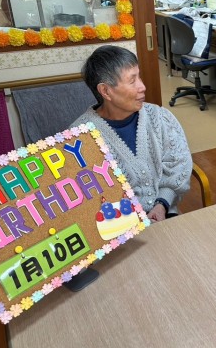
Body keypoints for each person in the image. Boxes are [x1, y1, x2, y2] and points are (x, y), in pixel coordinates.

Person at [72, 45, 192, 223]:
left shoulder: (160, 117)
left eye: (139, 77)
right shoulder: (79, 138)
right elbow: (88, 198)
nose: (142, 87)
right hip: (118, 228)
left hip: (165, 213)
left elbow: (178, 164)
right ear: (106, 91)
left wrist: (161, 204)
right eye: (132, 81)